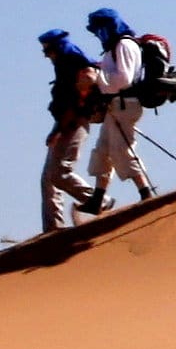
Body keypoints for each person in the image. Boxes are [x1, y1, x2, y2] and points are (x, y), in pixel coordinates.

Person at [79, 8, 158, 208]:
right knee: (103, 150)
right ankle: (98, 198)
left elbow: (124, 79)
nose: (97, 34)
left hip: (126, 103)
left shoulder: (124, 45)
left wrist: (98, 79)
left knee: (121, 150)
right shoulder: (112, 47)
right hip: (115, 105)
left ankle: (146, 192)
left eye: (98, 29)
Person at [37, 30, 107, 232]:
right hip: (65, 121)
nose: (46, 55)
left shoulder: (74, 65)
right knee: (48, 177)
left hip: (74, 121)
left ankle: (100, 201)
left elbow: (75, 101)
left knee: (59, 172)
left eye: (48, 50)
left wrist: (59, 129)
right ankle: (53, 229)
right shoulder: (65, 65)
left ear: (57, 47)